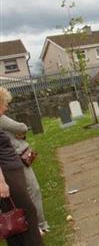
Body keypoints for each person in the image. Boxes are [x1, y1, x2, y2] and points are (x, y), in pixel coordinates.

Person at [0, 87, 43, 246]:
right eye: (5, 103)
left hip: (11, 172)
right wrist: (1, 182)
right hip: (7, 175)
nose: (7, 107)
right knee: (27, 211)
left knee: (13, 214)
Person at [0, 114, 50, 234]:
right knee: (32, 190)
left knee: (28, 192)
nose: (6, 108)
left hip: (13, 161)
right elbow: (21, 127)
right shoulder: (1, 118)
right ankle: (37, 225)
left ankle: (34, 225)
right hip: (13, 162)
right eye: (5, 104)